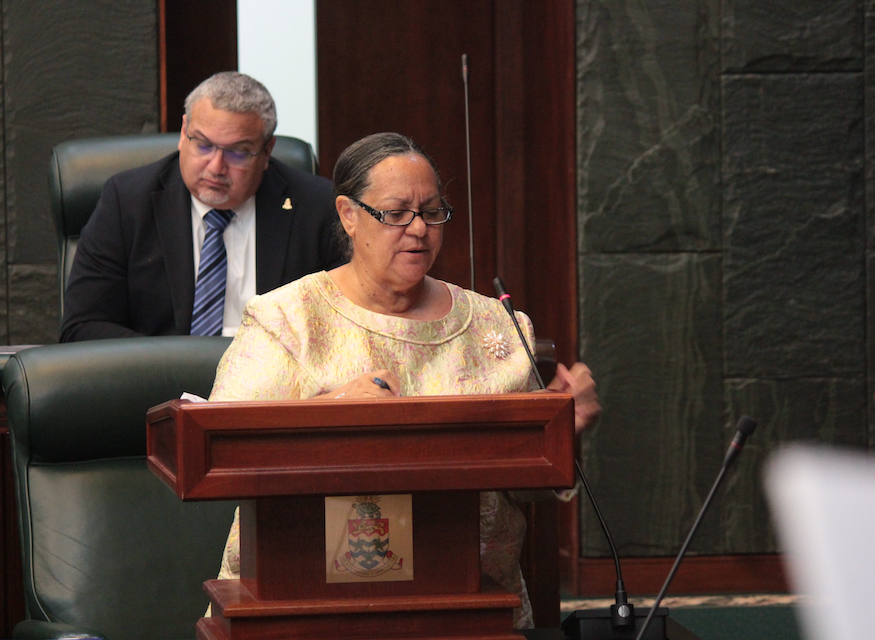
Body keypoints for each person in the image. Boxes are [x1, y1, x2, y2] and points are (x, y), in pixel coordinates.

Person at [207, 132, 600, 629]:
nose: (419, 230)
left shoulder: (496, 326)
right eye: (396, 213)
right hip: (305, 602)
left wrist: (561, 432)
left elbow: (523, 489)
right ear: (349, 215)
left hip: (468, 603)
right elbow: (222, 450)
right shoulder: (287, 318)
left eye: (432, 212)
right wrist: (326, 410)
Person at [60, 71, 345, 342]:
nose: (216, 167)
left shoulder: (316, 207)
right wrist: (176, 363)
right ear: (184, 133)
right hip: (163, 383)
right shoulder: (127, 202)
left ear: (266, 151)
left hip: (276, 386)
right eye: (204, 145)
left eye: (237, 152)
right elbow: (83, 327)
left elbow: (350, 322)